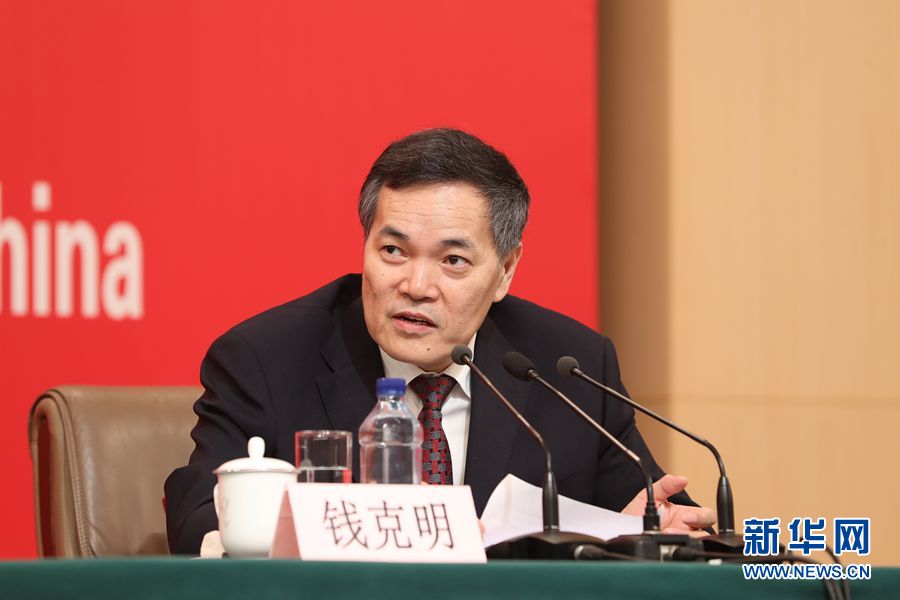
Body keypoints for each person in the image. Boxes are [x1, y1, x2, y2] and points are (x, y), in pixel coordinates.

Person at [165, 128, 714, 554]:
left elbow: (654, 516)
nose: (416, 286)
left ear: (505, 271)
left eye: (452, 260)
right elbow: (197, 520)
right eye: (393, 251)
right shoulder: (266, 359)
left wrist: (648, 536)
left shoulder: (565, 366)